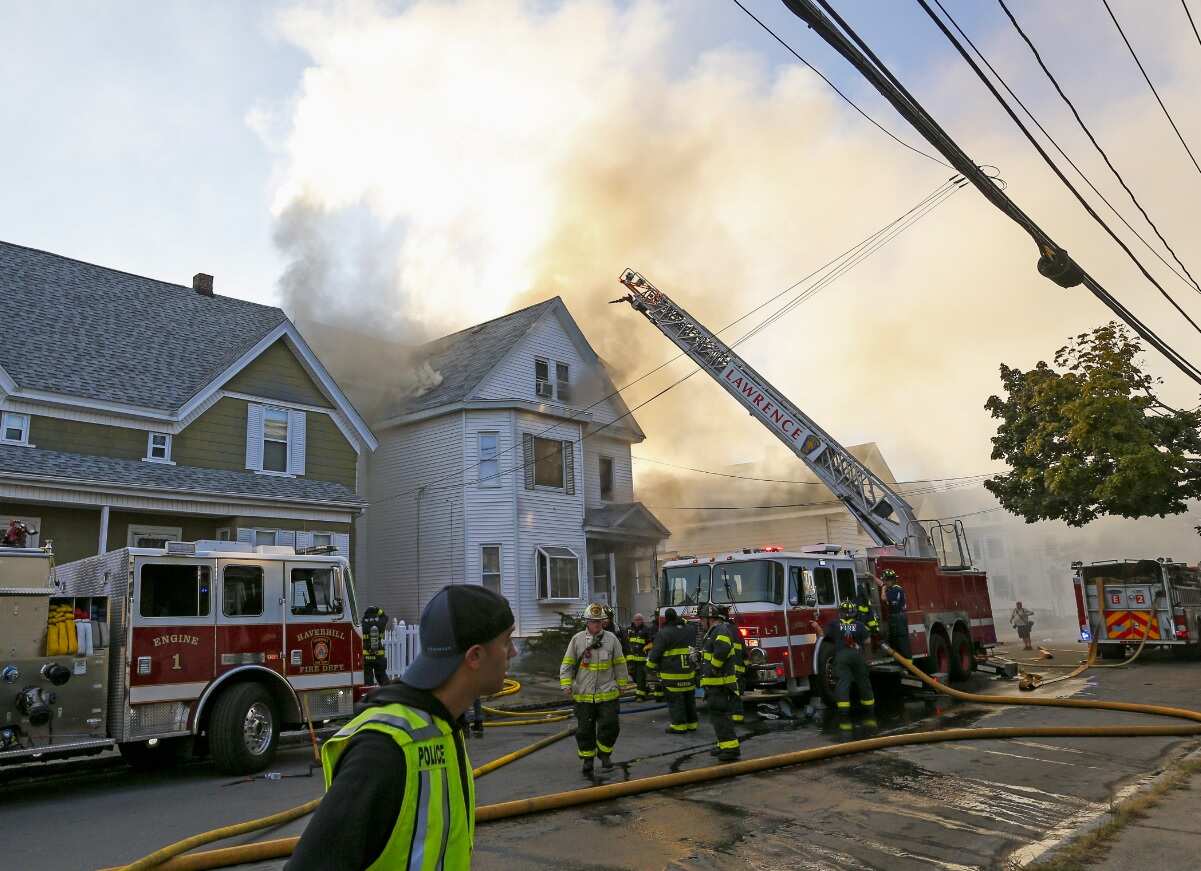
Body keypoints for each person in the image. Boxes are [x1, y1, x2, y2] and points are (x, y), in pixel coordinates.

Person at [286, 584, 515, 871]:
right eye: (507, 641)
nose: (514, 652)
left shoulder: (444, 725)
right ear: (475, 656)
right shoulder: (383, 750)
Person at [560, 602, 630, 775]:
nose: (596, 625)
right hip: (584, 695)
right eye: (593, 621)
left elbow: (620, 663)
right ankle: (588, 760)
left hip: (607, 693)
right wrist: (566, 684)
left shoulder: (612, 639)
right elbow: (567, 664)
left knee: (611, 725)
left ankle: (605, 754)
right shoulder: (577, 640)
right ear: (587, 622)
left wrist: (622, 684)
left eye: (599, 621)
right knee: (585, 730)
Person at [814, 600, 874, 715]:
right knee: (863, 682)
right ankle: (869, 709)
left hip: (841, 656)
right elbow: (867, 642)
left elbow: (821, 635)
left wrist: (816, 626)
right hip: (858, 656)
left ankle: (843, 710)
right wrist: (868, 659)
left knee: (843, 682)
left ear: (840, 613)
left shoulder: (834, 625)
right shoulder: (860, 625)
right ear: (854, 613)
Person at [698, 602, 741, 762]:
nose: (701, 623)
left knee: (721, 716)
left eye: (702, 619)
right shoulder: (713, 631)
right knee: (717, 717)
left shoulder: (720, 630)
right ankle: (723, 744)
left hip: (720, 683)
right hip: (714, 683)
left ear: (710, 619)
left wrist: (713, 668)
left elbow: (722, 649)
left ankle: (731, 749)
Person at [647, 607, 697, 735]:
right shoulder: (690, 630)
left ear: (666, 618)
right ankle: (692, 724)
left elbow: (656, 653)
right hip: (689, 673)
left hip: (672, 674)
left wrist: (650, 667)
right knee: (689, 700)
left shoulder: (664, 633)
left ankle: (679, 726)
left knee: (675, 701)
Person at [624, 613, 655, 700]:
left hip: (641, 659)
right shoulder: (628, 630)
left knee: (640, 677)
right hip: (631, 659)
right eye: (636, 620)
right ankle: (646, 688)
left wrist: (647, 648)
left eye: (640, 619)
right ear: (633, 621)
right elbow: (626, 642)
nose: (638, 621)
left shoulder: (646, 630)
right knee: (633, 676)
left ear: (642, 621)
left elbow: (651, 642)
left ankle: (640, 696)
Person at [881, 569, 911, 658]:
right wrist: (871, 576)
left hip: (898, 619)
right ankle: (900, 661)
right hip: (897, 618)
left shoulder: (895, 590)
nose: (884, 582)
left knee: (902, 643)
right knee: (895, 641)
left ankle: (908, 666)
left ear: (890, 580)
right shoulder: (894, 589)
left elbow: (883, 598)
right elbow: (881, 584)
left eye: (885, 580)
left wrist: (883, 589)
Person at [360, 606, 390, 687]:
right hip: (379, 656)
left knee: (368, 677)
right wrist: (377, 609)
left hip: (366, 657)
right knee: (382, 676)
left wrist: (365, 615)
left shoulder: (363, 624)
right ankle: (387, 692)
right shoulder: (381, 623)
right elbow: (385, 616)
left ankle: (370, 694)